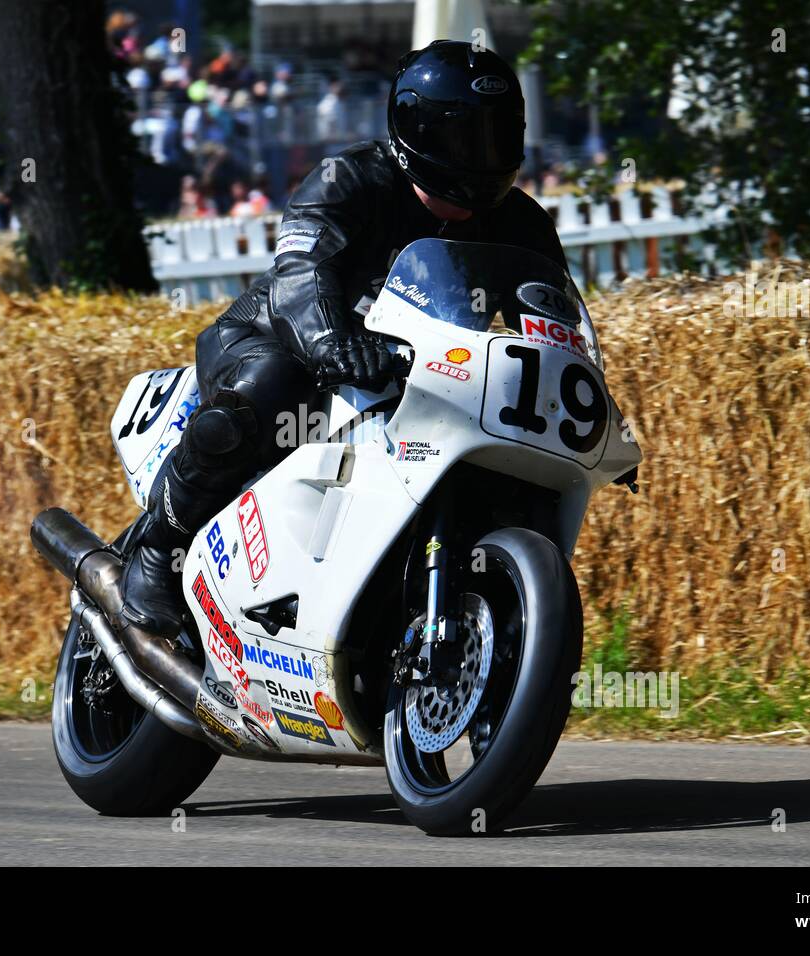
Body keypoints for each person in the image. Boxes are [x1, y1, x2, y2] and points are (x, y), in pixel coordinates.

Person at [118, 40, 572, 635]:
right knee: (275, 387)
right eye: (465, 137)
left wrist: (573, 401)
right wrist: (333, 340)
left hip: (412, 374)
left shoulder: (522, 224)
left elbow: (551, 319)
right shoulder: (349, 179)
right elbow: (300, 272)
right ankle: (156, 551)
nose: (482, 156)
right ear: (415, 130)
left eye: (496, 135)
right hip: (274, 340)